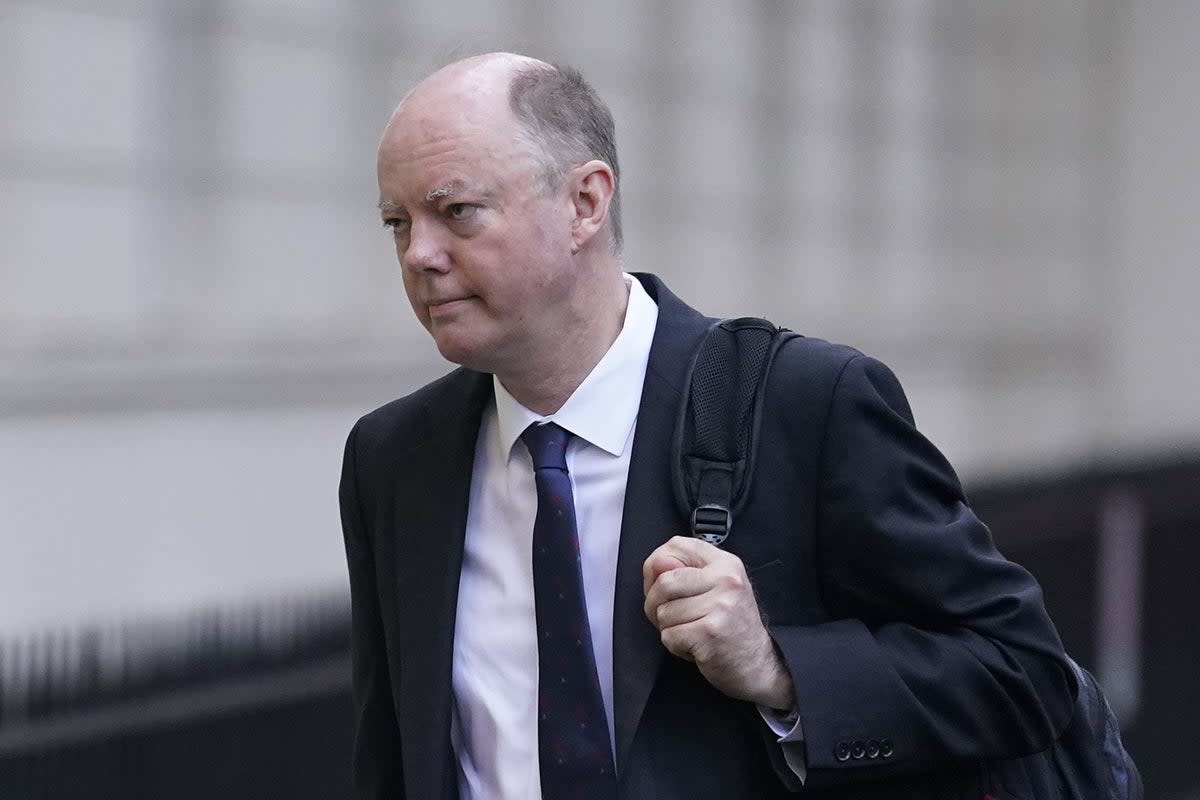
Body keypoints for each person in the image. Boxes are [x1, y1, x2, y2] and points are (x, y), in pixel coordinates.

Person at [339, 52, 1077, 799]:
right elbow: (392, 758)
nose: (419, 255)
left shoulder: (805, 402)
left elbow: (1021, 671)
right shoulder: (395, 459)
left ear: (585, 204)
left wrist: (780, 669)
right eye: (397, 223)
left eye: (455, 210)